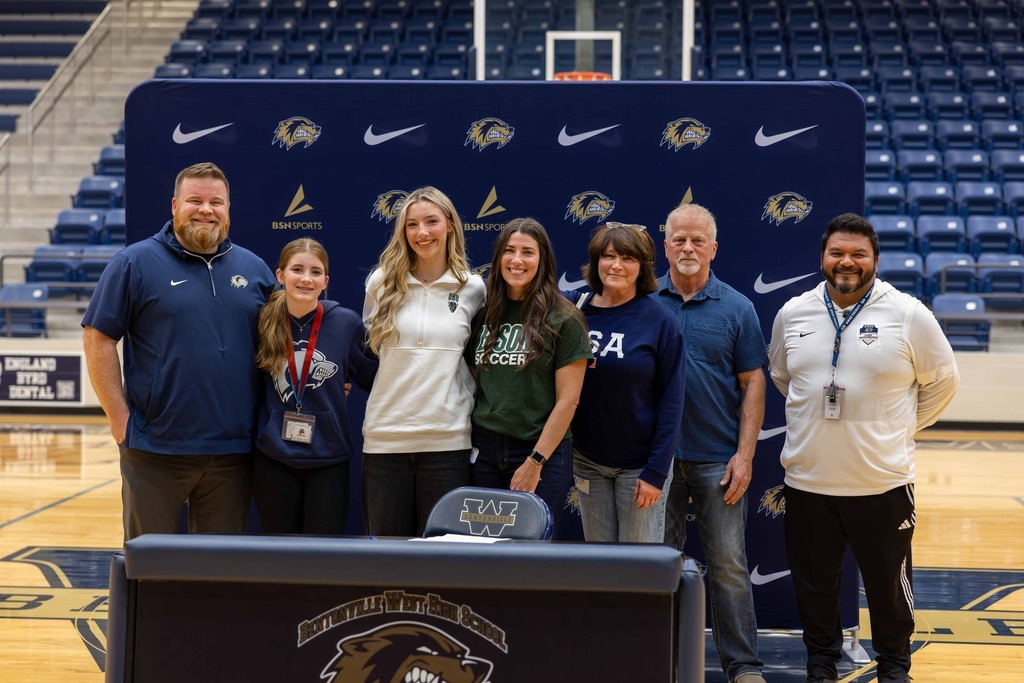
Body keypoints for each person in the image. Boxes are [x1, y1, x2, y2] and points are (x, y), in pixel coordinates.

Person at [768, 213, 960, 683]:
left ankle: (894, 668)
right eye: (837, 252)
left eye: (858, 254)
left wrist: (897, 429)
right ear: (822, 257)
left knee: (888, 587)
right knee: (815, 586)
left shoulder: (909, 314)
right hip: (809, 479)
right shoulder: (793, 312)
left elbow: (944, 382)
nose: (847, 262)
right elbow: (782, 377)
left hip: (882, 481)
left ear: (875, 259)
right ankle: (821, 665)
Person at [81, 162, 277, 541]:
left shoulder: (254, 269)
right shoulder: (134, 262)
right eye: (195, 200)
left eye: (216, 202)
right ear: (174, 205)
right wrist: (119, 419)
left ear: (228, 209)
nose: (206, 210)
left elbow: (279, 344)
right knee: (151, 564)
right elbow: (98, 337)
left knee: (219, 566)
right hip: (155, 448)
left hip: (233, 451)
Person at [653, 203, 768, 683]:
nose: (688, 248)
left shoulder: (738, 308)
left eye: (698, 240)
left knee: (728, 567)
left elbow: (754, 382)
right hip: (654, 464)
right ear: (665, 246)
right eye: (679, 240)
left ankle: (743, 667)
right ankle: (657, 661)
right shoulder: (643, 301)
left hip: (717, 460)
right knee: (656, 564)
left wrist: (745, 456)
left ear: (713, 248)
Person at [362, 186, 485, 537]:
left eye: (432, 221)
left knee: (443, 559)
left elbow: (476, 363)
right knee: (388, 557)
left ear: (450, 225)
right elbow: (370, 355)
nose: (422, 232)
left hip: (448, 442)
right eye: (412, 224)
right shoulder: (381, 282)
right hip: (385, 440)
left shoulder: (473, 288)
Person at [470, 218, 593, 536]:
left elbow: (569, 401)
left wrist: (535, 461)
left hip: (540, 451)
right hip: (484, 450)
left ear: (542, 260)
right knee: (481, 549)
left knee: (529, 552)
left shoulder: (564, 318)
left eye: (527, 252)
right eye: (509, 251)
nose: (517, 260)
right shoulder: (484, 313)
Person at [568, 222, 686, 543]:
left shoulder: (661, 321)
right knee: (599, 563)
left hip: (640, 467)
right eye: (608, 256)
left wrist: (656, 472)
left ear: (642, 266)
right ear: (596, 261)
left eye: (628, 258)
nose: (616, 265)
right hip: (587, 461)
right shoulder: (574, 311)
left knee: (637, 566)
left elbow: (672, 402)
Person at [252, 238, 378, 535]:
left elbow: (374, 378)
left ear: (326, 281)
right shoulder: (261, 320)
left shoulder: (346, 323)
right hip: (273, 457)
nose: (306, 279)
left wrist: (336, 382)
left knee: (324, 552)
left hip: (328, 457)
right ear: (280, 275)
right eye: (297, 269)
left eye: (315, 272)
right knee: (280, 550)